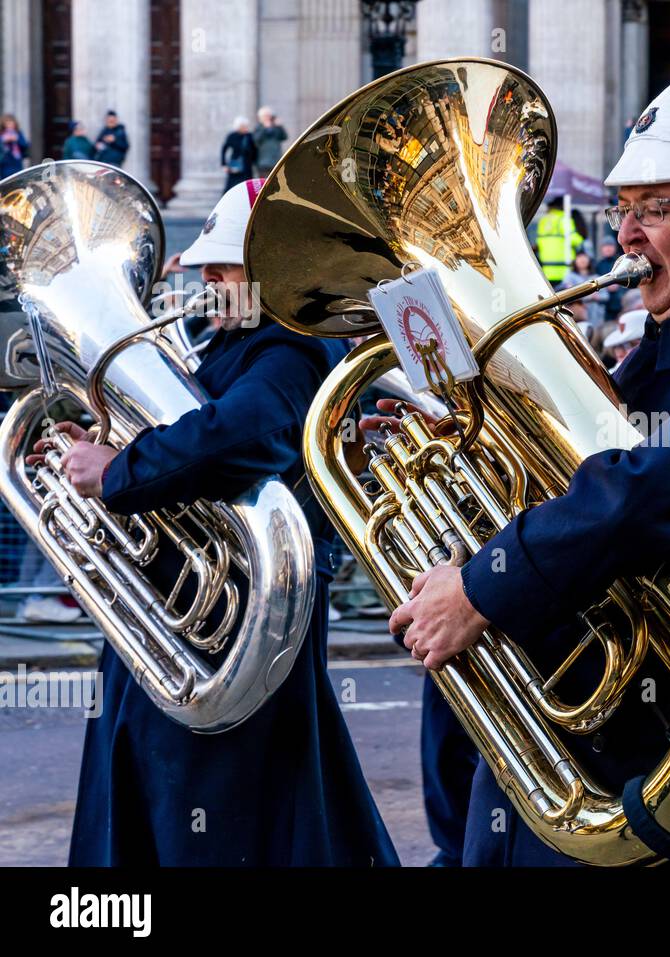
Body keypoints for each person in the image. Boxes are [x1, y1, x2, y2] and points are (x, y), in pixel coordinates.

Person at [388, 66, 670, 866]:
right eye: (624, 210)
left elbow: (646, 492)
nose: (625, 235)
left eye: (655, 209)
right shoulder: (651, 354)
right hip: (582, 764)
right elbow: (573, 496)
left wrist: (481, 583)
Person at [33, 180, 398, 865]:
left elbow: (246, 433)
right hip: (184, 631)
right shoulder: (226, 346)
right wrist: (111, 445)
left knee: (219, 826)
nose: (210, 282)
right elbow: (194, 440)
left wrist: (118, 470)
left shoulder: (288, 348)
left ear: (270, 272)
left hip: (230, 636)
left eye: (226, 268)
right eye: (207, 269)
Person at [535, 196, 584, 286]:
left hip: (546, 270)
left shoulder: (543, 220)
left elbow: (539, 241)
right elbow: (573, 239)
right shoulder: (563, 219)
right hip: (563, 269)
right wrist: (582, 239)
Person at [220, 116, 257, 190]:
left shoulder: (249, 136)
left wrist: (254, 160)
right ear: (239, 126)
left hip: (247, 165)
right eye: (244, 126)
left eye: (247, 126)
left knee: (247, 185)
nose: (246, 128)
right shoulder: (232, 136)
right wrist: (224, 164)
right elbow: (224, 149)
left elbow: (255, 150)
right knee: (232, 185)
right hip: (235, 164)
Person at [252, 106, 288, 177]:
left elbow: (284, 137)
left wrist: (280, 126)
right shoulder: (258, 127)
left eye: (268, 115)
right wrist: (265, 128)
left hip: (276, 160)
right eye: (265, 116)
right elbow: (256, 140)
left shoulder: (276, 127)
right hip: (263, 162)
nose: (267, 117)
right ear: (260, 117)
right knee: (264, 182)